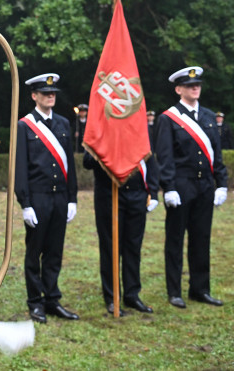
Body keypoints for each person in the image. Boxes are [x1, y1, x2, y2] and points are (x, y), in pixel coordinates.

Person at [155, 66, 228, 308]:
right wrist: (169, 187)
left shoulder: (208, 116)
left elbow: (216, 154)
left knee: (201, 238)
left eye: (197, 85)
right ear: (179, 89)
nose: (194, 88)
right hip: (182, 185)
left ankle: (200, 289)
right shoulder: (168, 118)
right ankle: (174, 291)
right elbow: (164, 157)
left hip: (205, 185)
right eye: (189, 85)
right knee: (175, 239)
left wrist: (222, 184)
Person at [15, 73, 79, 323]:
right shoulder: (24, 126)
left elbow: (70, 165)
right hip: (38, 198)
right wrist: (26, 204)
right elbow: (20, 168)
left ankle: (52, 299)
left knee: (54, 251)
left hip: (60, 198)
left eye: (52, 93)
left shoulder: (63, 123)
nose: (50, 96)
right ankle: (35, 303)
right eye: (45, 93)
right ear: (34, 96)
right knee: (34, 253)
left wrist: (72, 197)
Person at [83, 150, 159, 316]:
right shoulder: (100, 125)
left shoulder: (137, 125)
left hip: (137, 192)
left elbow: (149, 156)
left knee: (133, 247)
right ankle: (112, 297)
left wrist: (153, 190)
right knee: (110, 248)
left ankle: (132, 294)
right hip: (110, 193)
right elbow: (87, 161)